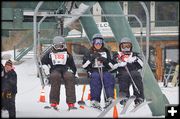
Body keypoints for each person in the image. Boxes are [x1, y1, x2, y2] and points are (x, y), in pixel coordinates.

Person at [41, 36, 79, 110]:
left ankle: (71, 102)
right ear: (53, 46)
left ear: (63, 45)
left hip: (65, 69)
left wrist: (73, 72)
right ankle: (54, 102)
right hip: (54, 69)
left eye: (60, 46)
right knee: (55, 76)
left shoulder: (67, 54)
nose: (58, 48)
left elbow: (72, 64)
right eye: (57, 46)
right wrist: (46, 69)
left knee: (69, 77)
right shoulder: (49, 53)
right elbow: (43, 62)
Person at [82, 34, 115, 110]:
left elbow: (111, 65)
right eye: (96, 42)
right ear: (93, 43)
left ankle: (109, 98)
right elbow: (84, 66)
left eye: (100, 42)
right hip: (93, 71)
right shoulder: (89, 52)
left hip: (104, 70)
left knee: (108, 77)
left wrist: (105, 60)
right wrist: (91, 59)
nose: (98, 44)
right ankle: (95, 100)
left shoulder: (106, 51)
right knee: (95, 78)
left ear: (102, 42)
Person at [112, 37, 144, 106]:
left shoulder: (134, 55)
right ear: (121, 47)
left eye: (128, 46)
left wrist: (136, 59)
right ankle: (124, 97)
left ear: (131, 47)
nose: (126, 48)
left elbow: (142, 65)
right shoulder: (117, 55)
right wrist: (119, 64)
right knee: (124, 78)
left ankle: (139, 97)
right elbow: (111, 67)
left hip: (133, 72)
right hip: (122, 73)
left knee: (136, 76)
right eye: (124, 46)